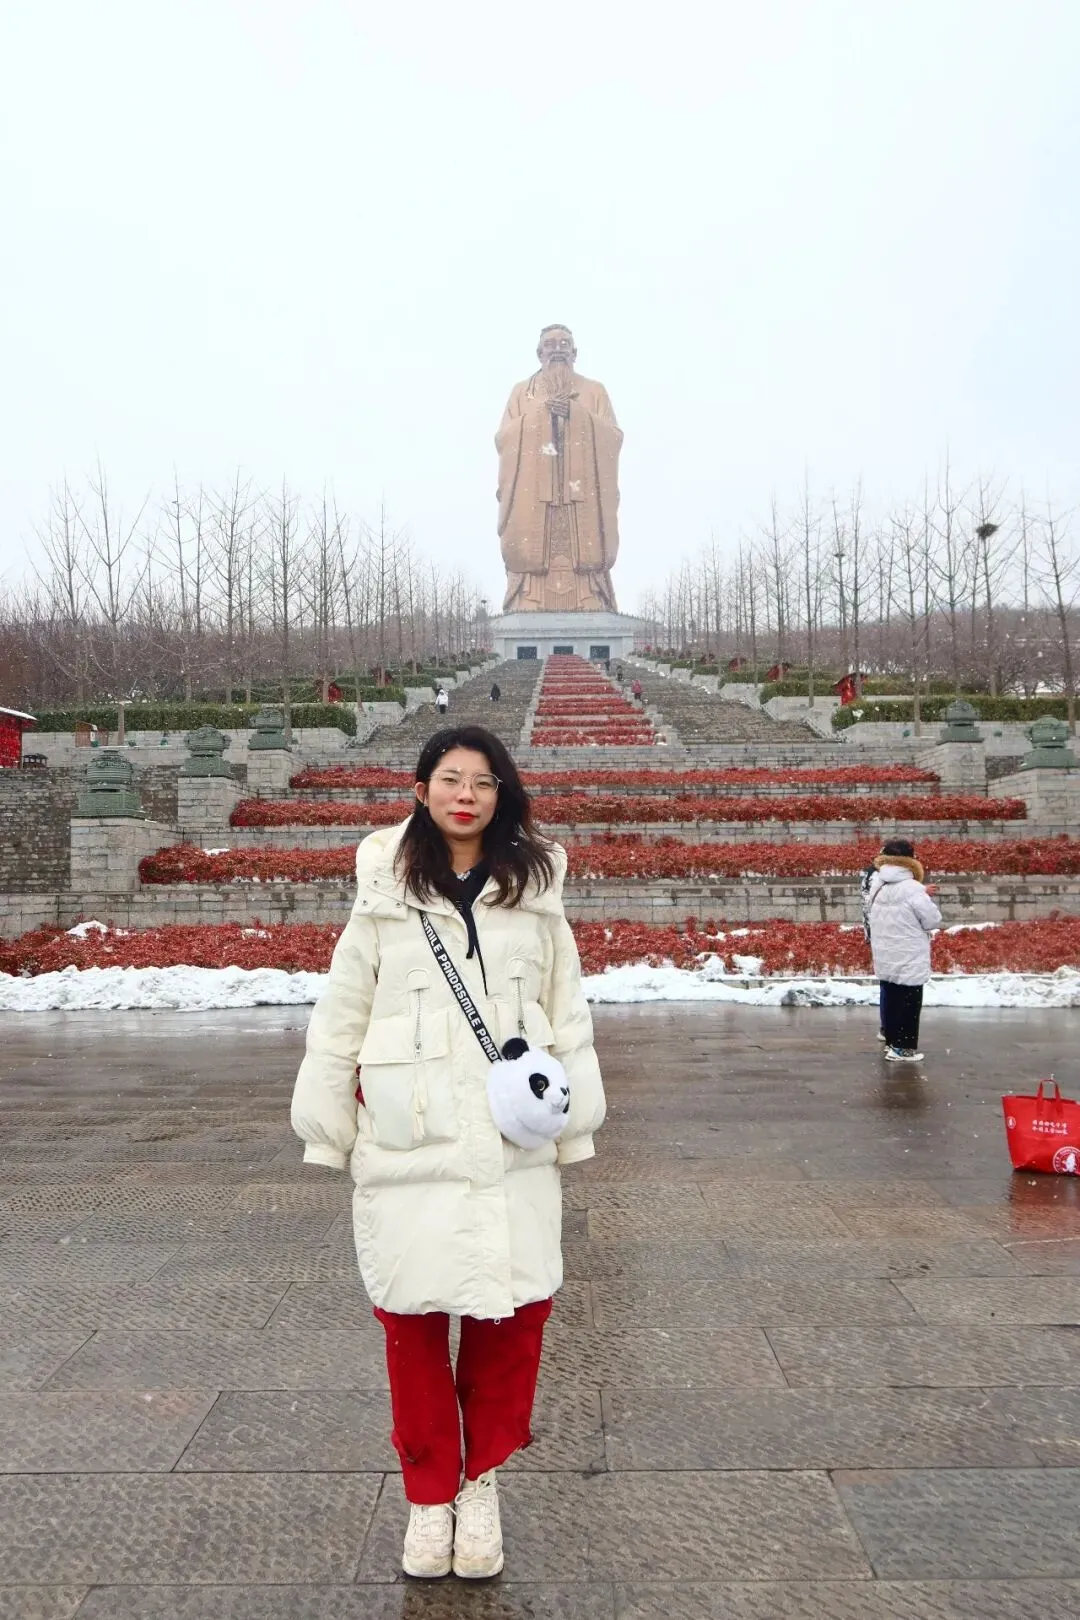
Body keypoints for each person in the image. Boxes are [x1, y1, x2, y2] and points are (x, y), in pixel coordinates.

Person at [291, 724, 605, 1581]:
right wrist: (328, 1121)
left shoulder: (535, 887)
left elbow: (564, 1006)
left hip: (510, 1139)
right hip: (410, 1131)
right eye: (450, 777)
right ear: (422, 787)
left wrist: (577, 1119)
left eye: (484, 780)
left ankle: (483, 1482)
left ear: (503, 794)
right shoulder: (384, 887)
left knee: (514, 1320)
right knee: (413, 1324)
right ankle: (430, 1496)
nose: (466, 793)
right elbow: (345, 1003)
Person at [866, 837, 942, 1063]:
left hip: (885, 952)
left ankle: (891, 1041)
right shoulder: (913, 889)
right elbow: (932, 920)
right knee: (909, 1002)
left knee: (890, 997)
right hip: (908, 954)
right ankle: (904, 1048)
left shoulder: (877, 885)